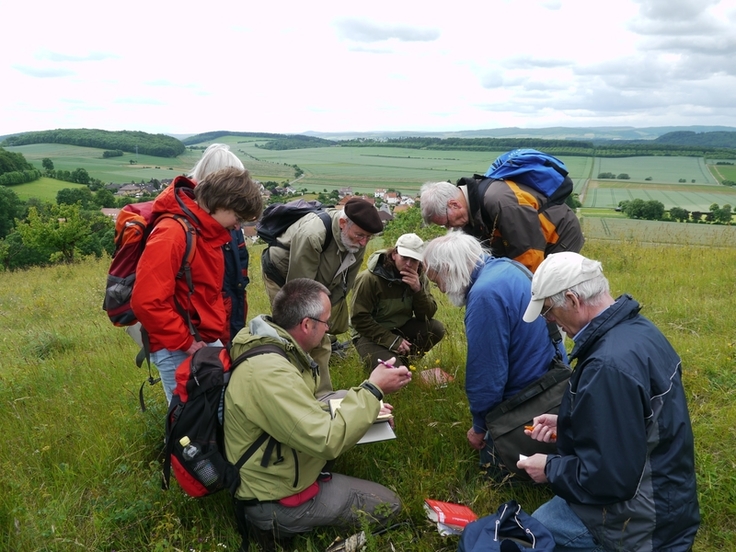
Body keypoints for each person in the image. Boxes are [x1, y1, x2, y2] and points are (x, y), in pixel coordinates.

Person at [518, 252, 699, 551]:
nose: (548, 319)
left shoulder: (607, 365)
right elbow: (635, 428)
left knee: (534, 530)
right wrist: (570, 424)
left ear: (573, 300)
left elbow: (611, 479)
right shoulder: (638, 331)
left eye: (549, 309)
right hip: (669, 497)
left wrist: (549, 468)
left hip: (641, 520)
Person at [225, 278, 411, 549]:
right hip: (273, 496)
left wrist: (366, 406)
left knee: (344, 397)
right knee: (389, 505)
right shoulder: (270, 374)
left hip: (280, 466)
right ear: (306, 324)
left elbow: (308, 405)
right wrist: (373, 390)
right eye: (326, 323)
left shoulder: (275, 345)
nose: (329, 330)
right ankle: (272, 526)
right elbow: (326, 440)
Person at [422, 232, 565, 474]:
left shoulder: (484, 295)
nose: (441, 290)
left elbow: (486, 374)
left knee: (492, 470)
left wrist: (480, 427)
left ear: (448, 269)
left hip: (528, 397)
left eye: (437, 282)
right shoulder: (509, 267)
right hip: (554, 385)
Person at [131, 167, 263, 404]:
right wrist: (186, 343)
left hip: (200, 338)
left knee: (215, 410)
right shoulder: (172, 234)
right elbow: (146, 302)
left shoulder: (205, 231)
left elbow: (206, 294)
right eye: (238, 217)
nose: (237, 227)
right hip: (176, 344)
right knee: (189, 418)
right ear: (221, 204)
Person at [261, 197, 383, 397]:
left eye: (368, 238)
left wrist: (326, 316)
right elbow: (299, 291)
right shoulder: (313, 234)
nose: (363, 243)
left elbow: (344, 285)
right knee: (295, 335)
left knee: (320, 337)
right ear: (343, 224)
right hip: (283, 278)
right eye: (360, 235)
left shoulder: (357, 241)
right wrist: (315, 324)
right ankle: (289, 392)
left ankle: (321, 396)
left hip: (315, 282)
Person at [419, 177, 584, 272]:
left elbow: (528, 256)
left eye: (447, 222)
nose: (450, 228)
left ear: (454, 204)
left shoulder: (500, 202)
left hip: (558, 237)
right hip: (533, 242)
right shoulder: (471, 211)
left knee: (552, 293)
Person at [350, 232, 445, 370]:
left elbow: (426, 316)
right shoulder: (369, 279)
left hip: (400, 327)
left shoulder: (419, 277)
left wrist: (418, 290)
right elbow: (359, 319)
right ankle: (387, 360)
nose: (408, 264)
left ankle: (406, 362)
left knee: (436, 329)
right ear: (394, 254)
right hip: (368, 335)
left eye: (414, 260)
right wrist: (392, 341)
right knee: (394, 373)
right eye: (404, 257)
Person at [189, 143, 252, 343]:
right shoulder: (187, 226)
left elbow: (238, 279)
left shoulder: (230, 222)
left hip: (229, 318)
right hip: (203, 329)